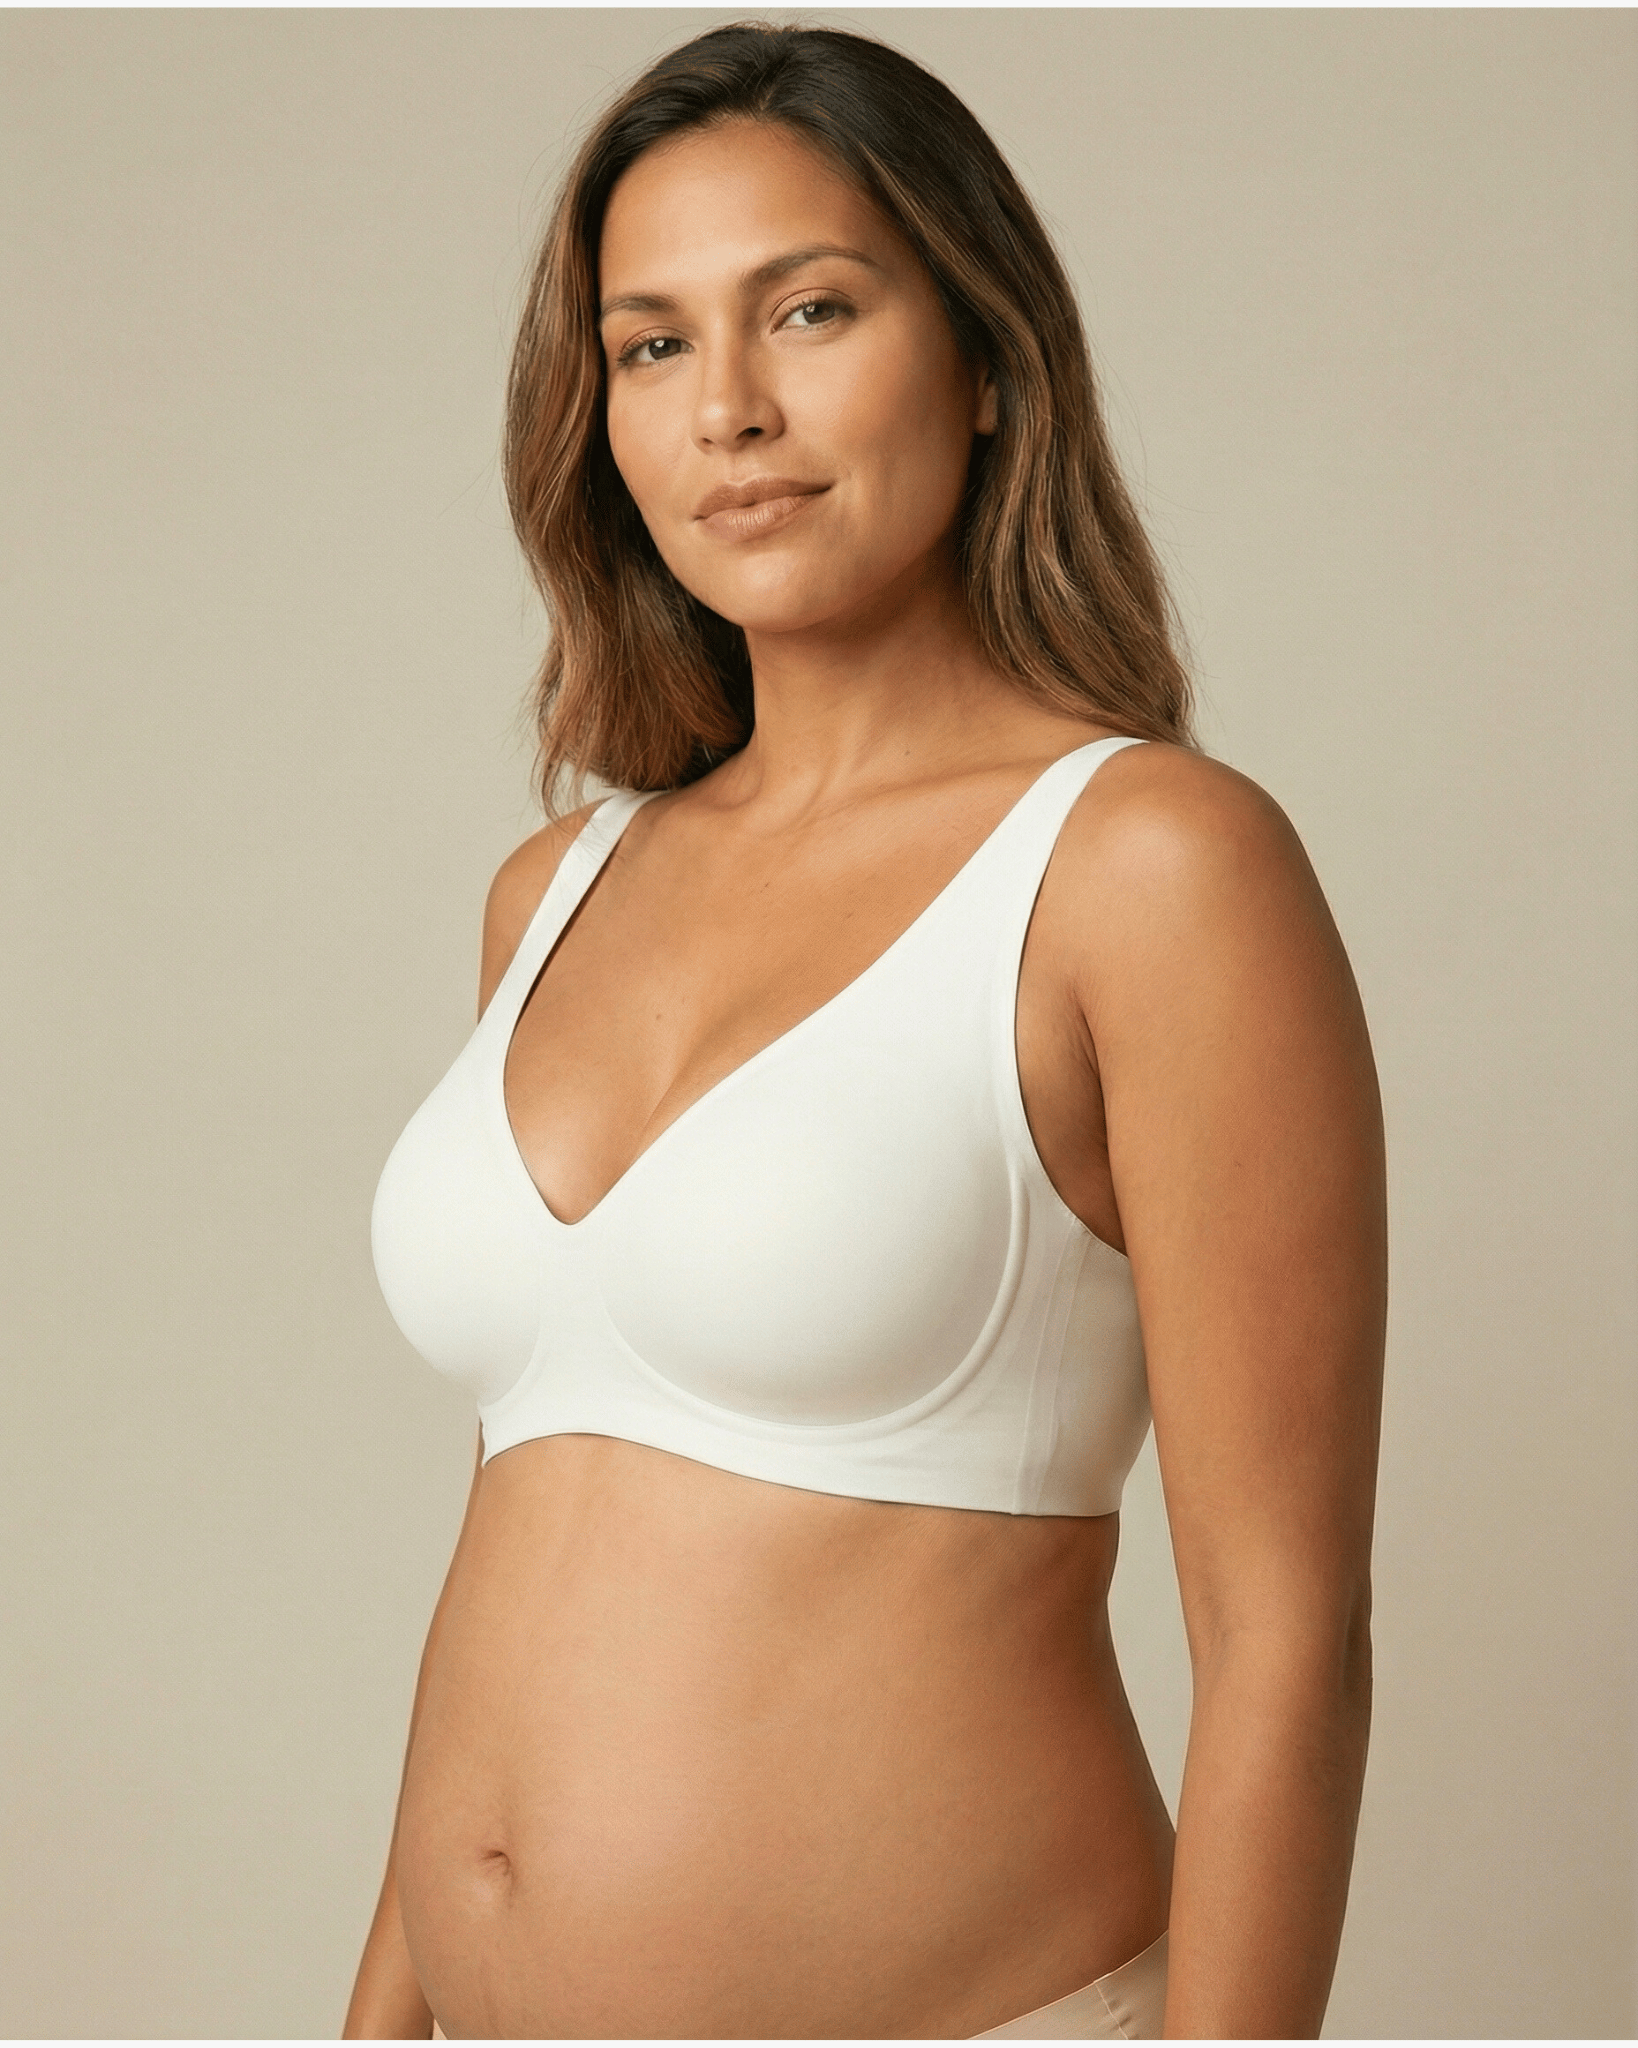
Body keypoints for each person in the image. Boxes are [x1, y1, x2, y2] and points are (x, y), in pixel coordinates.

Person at [345, 22, 1386, 2040]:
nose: (729, 407)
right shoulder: (552, 892)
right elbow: (529, 1533)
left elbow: (1284, 1639)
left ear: (986, 357)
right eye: (651, 346)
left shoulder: (1150, 863)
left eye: (810, 310)